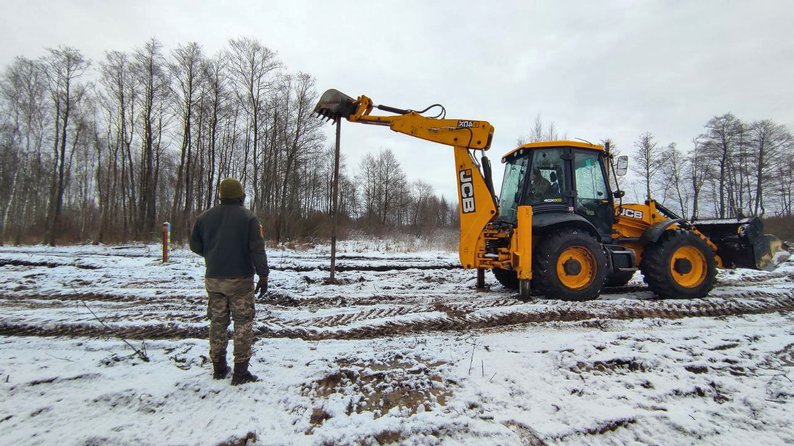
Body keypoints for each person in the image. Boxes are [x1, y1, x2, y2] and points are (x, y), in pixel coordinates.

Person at [189, 177, 269, 385]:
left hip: (214, 279)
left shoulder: (204, 218)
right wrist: (263, 275)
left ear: (221, 196)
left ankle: (218, 368)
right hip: (240, 281)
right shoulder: (249, 218)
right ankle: (240, 372)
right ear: (240, 195)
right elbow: (257, 249)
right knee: (242, 323)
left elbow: (195, 245)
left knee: (217, 322)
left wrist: (213, 254)